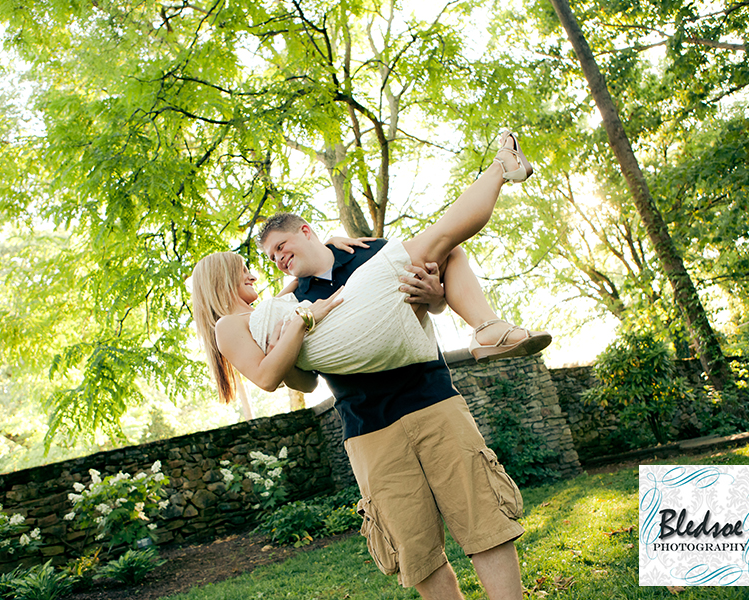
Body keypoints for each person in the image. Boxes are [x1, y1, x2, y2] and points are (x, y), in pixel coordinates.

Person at [191, 130, 540, 599]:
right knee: (416, 554)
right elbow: (301, 377)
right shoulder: (288, 302)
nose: (276, 260)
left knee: (484, 522)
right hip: (368, 430)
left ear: (306, 230)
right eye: (270, 258)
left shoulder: (372, 252)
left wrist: (435, 298)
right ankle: (501, 185)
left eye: (281, 247)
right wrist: (300, 319)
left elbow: (430, 295)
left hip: (432, 401)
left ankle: (490, 320)